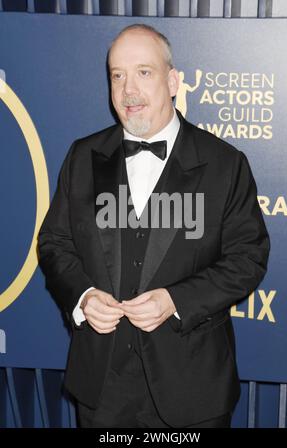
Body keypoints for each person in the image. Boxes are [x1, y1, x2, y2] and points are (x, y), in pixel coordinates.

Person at [38, 24, 270, 428]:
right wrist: (84, 296)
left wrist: (176, 301)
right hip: (102, 388)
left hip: (192, 387)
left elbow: (248, 258)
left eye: (144, 72)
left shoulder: (225, 164)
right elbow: (55, 243)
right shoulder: (82, 156)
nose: (129, 90)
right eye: (117, 75)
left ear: (174, 81)